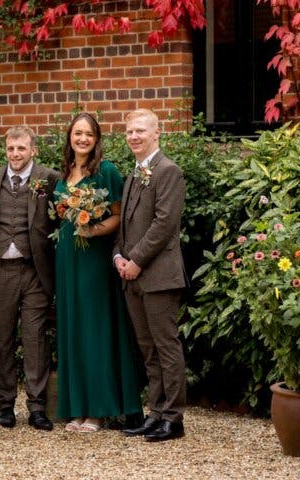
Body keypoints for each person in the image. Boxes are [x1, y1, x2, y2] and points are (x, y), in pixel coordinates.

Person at [54, 112, 143, 433]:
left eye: (88, 135)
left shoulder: (106, 172)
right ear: (70, 137)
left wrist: (93, 231)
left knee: (95, 330)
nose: (82, 139)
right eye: (77, 133)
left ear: (96, 139)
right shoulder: (65, 172)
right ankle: (77, 409)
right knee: (73, 329)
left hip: (93, 257)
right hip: (67, 258)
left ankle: (98, 411)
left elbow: (119, 216)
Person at [114, 108, 188, 442]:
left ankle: (173, 418)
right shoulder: (132, 175)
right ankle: (156, 412)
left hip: (158, 276)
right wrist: (118, 255)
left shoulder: (167, 171)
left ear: (157, 133)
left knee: (166, 346)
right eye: (130, 131)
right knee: (148, 349)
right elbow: (126, 224)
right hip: (132, 275)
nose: (134, 137)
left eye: (140, 131)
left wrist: (137, 261)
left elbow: (164, 224)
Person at [0, 126, 60, 431]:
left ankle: (37, 407)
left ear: (33, 151)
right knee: (1, 338)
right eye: (11, 149)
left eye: (22, 149)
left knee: (34, 338)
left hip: (35, 270)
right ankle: (5, 405)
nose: (16, 154)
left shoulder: (49, 179)